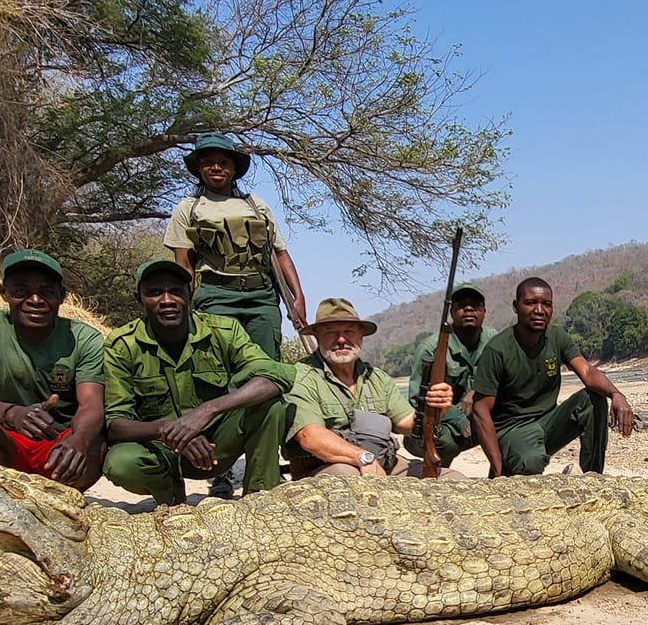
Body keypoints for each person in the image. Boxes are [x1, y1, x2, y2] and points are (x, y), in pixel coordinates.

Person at [163, 132, 308, 497]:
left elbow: (280, 255)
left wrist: (298, 295)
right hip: (215, 295)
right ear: (198, 168)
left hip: (260, 295)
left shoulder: (256, 205)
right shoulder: (189, 209)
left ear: (233, 168)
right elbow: (182, 265)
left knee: (266, 375)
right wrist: (185, 308)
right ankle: (219, 470)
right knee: (219, 378)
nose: (216, 167)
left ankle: (265, 469)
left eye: (224, 161)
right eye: (209, 161)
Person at [99, 260, 295, 505]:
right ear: (138, 298)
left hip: (214, 448)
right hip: (160, 451)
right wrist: (175, 430)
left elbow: (277, 375)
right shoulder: (121, 346)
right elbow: (116, 425)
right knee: (120, 463)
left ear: (190, 293)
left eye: (176, 291)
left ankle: (260, 498)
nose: (167, 300)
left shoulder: (223, 331)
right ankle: (169, 493)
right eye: (155, 292)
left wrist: (208, 410)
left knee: (270, 405)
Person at [0, 249, 105, 489]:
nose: (35, 300)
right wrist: (12, 414)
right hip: (6, 435)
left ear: (61, 296)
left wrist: (79, 440)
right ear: (4, 292)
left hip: (60, 440)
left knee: (96, 443)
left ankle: (63, 494)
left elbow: (91, 405)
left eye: (47, 292)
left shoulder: (84, 338)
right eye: (21, 291)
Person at [468, 277, 636, 477]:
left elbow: (587, 372)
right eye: (530, 303)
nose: (539, 310)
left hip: (548, 421)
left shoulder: (557, 337)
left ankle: (594, 476)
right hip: (513, 429)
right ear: (516, 306)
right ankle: (510, 464)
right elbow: (480, 410)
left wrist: (617, 394)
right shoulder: (498, 348)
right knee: (530, 462)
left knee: (595, 399)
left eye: (546, 304)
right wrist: (496, 469)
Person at [285, 299, 454, 477]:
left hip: (383, 463)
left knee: (453, 479)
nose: (341, 339)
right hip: (327, 467)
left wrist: (436, 408)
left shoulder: (377, 377)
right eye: (331, 333)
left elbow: (408, 424)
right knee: (348, 477)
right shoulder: (303, 377)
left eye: (349, 331)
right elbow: (310, 437)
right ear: (317, 337)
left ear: (361, 336)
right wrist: (363, 458)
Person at [405, 283, 488, 474]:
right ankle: (435, 476)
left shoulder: (494, 341)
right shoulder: (430, 348)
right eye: (461, 305)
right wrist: (458, 420)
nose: (468, 309)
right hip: (441, 424)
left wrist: (477, 392)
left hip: (480, 416)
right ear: (451, 311)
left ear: (484, 311)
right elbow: (416, 399)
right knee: (442, 441)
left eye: (475, 305)